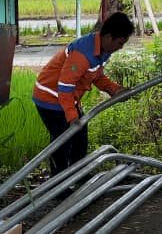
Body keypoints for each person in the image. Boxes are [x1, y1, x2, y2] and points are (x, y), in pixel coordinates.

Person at [32, 11, 134, 176]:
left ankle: (77, 176)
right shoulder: (82, 53)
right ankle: (58, 185)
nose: (120, 48)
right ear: (108, 37)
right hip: (50, 98)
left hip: (68, 98)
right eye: (120, 43)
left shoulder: (103, 51)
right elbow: (65, 86)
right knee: (62, 141)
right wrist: (72, 117)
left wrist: (115, 90)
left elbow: (97, 76)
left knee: (80, 137)